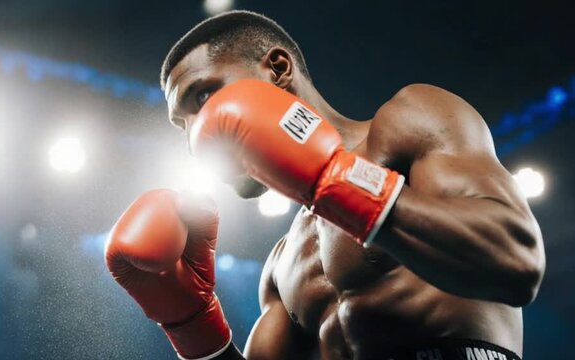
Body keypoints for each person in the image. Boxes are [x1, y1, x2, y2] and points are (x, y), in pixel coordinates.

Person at [105, 10, 545, 360]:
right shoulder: (282, 264)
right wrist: (193, 327)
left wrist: (337, 180)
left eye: (203, 97)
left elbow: (516, 261)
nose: (197, 137)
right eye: (183, 126)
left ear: (277, 68)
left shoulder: (410, 121)